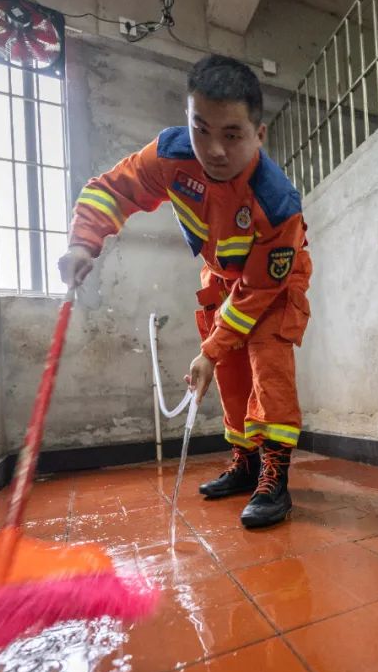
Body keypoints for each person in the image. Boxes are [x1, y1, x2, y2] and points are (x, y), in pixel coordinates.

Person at [57, 54, 311, 529]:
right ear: (188, 119)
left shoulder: (277, 205)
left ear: (259, 135)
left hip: (272, 280)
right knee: (231, 374)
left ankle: (275, 477)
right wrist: (82, 243)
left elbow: (257, 293)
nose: (213, 149)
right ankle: (246, 463)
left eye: (232, 135)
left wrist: (209, 350)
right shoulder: (172, 155)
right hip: (221, 275)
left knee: (267, 362)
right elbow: (113, 189)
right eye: (201, 128)